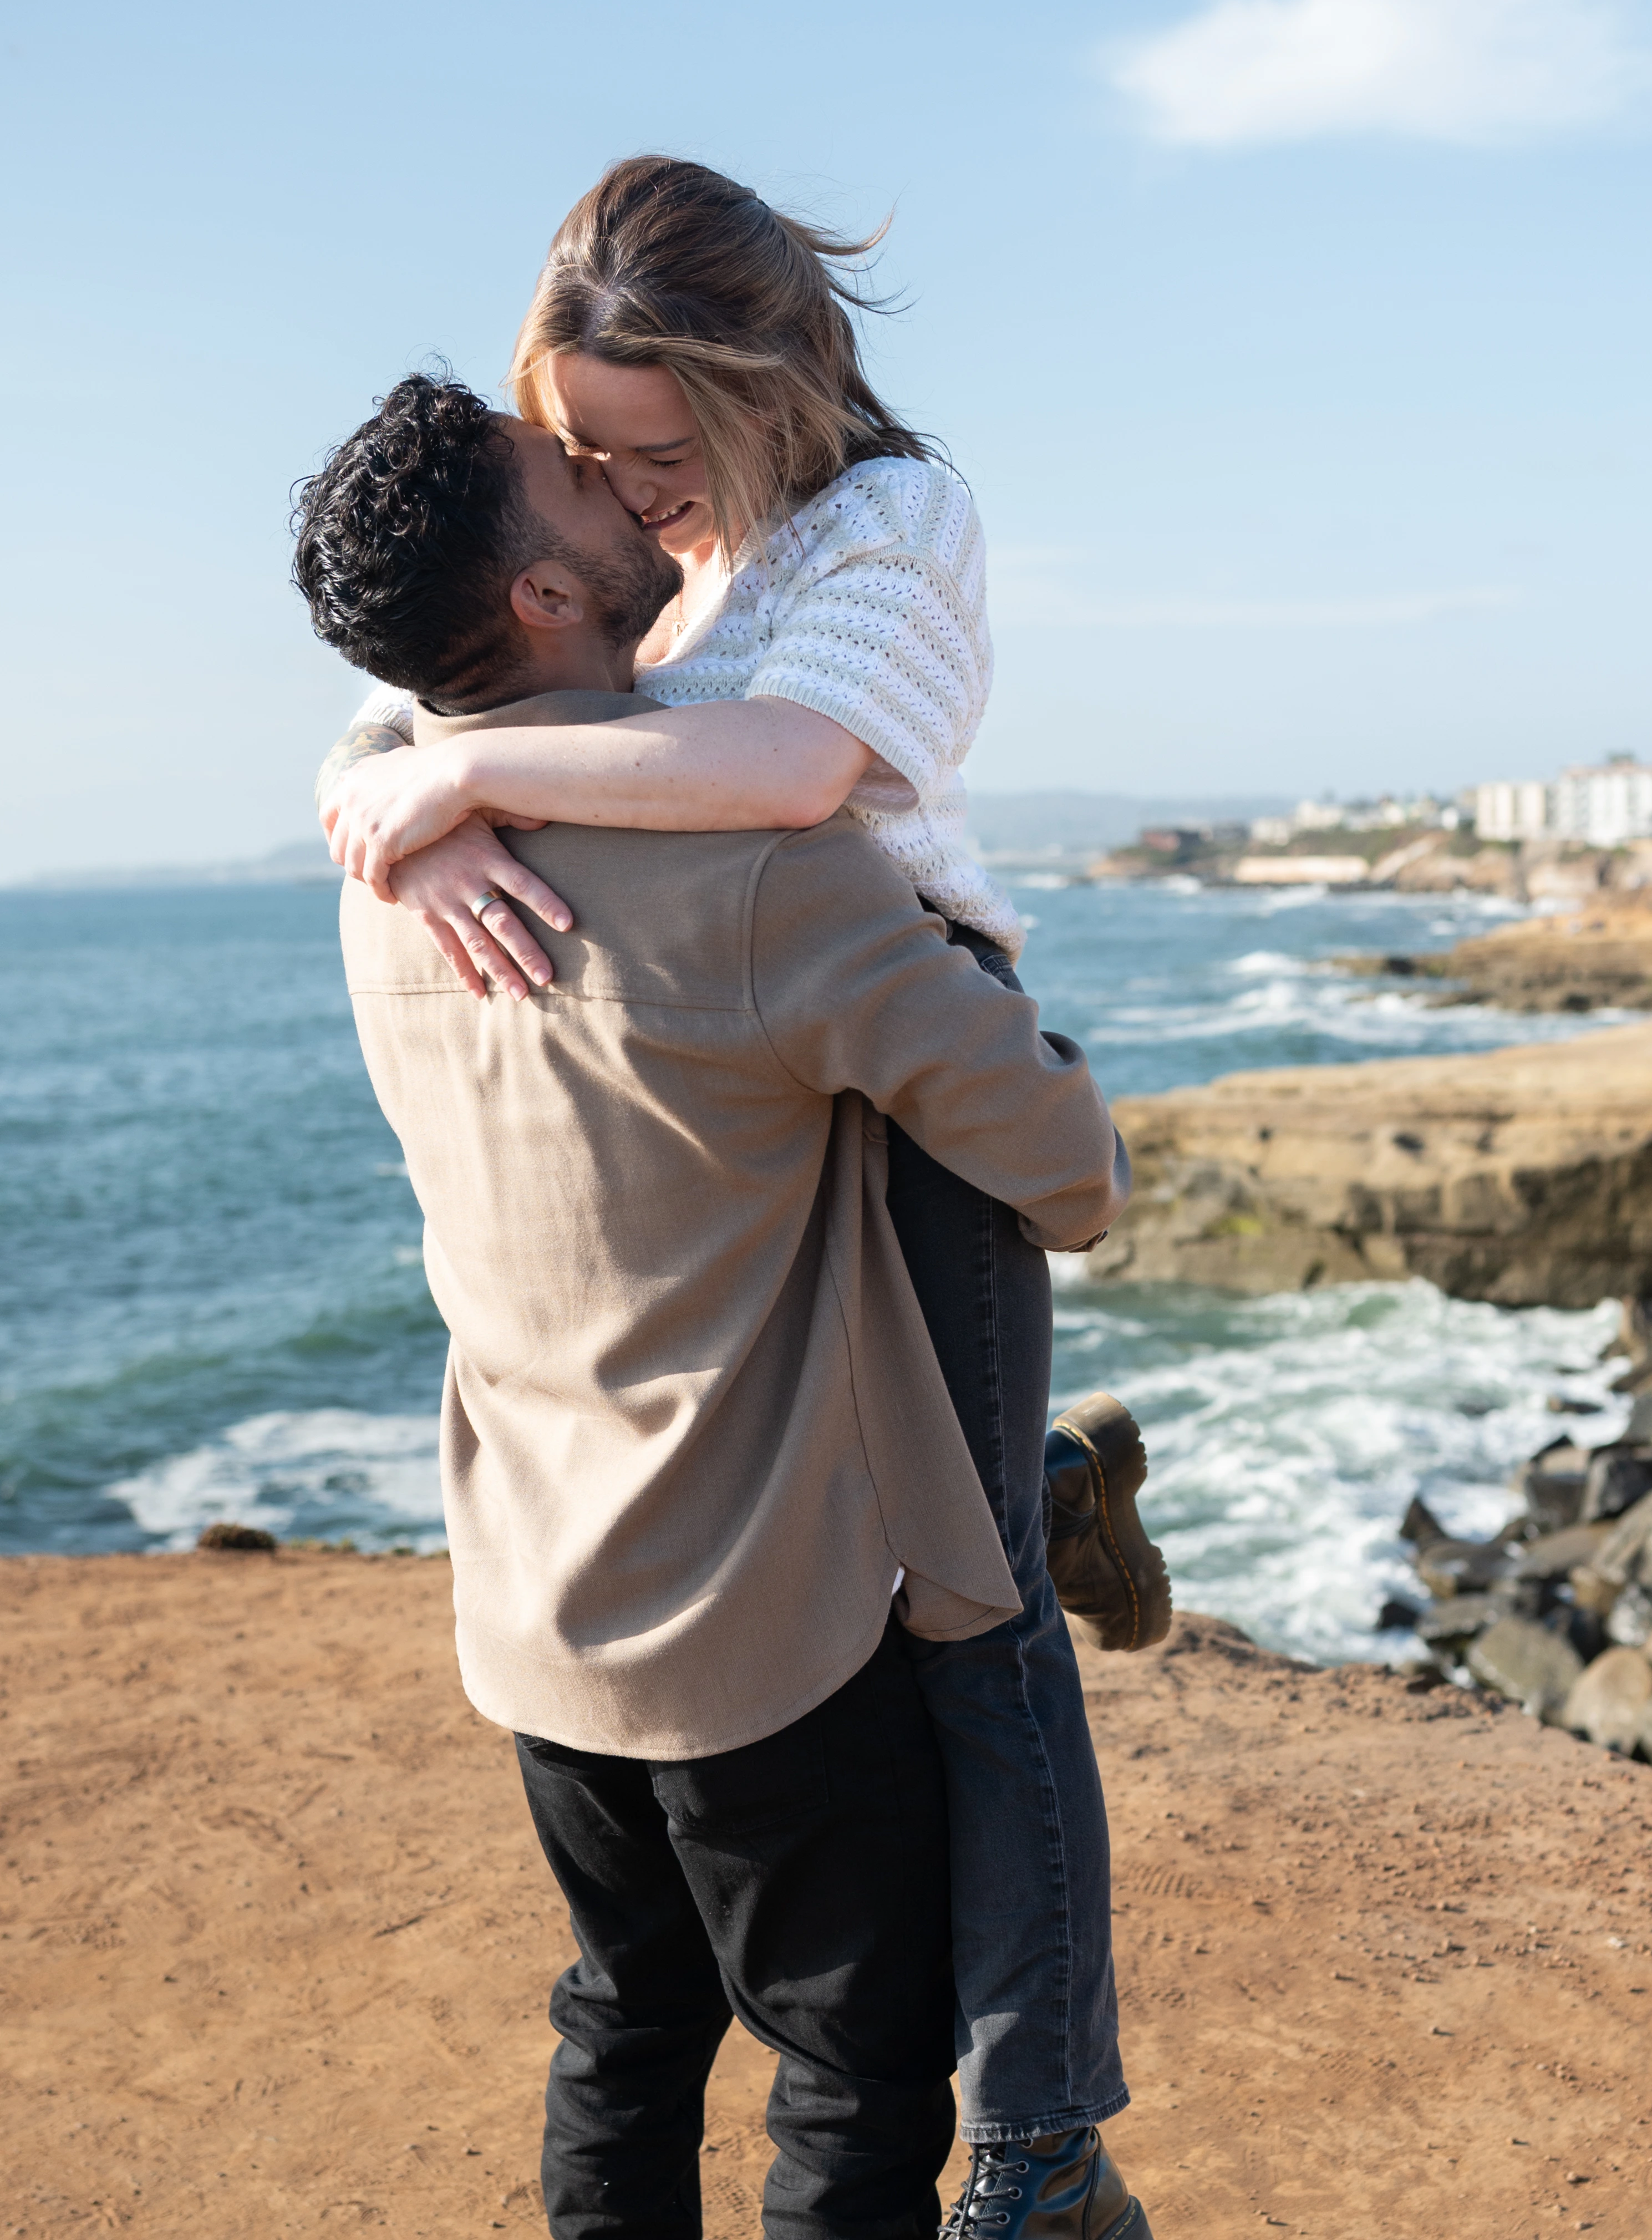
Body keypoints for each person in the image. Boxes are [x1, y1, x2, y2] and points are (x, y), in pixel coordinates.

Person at [313, 161, 1168, 2222]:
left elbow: (789, 772)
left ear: (760, 385)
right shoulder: (604, 628)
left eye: (644, 450)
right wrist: (403, 797)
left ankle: (1039, 2138)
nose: (623, 486)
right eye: (583, 456)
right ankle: (1027, 1487)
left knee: (973, 1636)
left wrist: (461, 781)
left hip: (863, 1007)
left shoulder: (885, 521)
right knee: (823, 1976)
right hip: (788, 998)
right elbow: (405, 704)